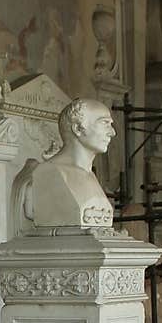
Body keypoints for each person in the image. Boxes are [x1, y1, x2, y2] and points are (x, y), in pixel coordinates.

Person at [12, 97, 116, 229]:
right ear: (77, 128)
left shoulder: (89, 175)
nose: (112, 133)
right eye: (104, 123)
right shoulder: (49, 173)